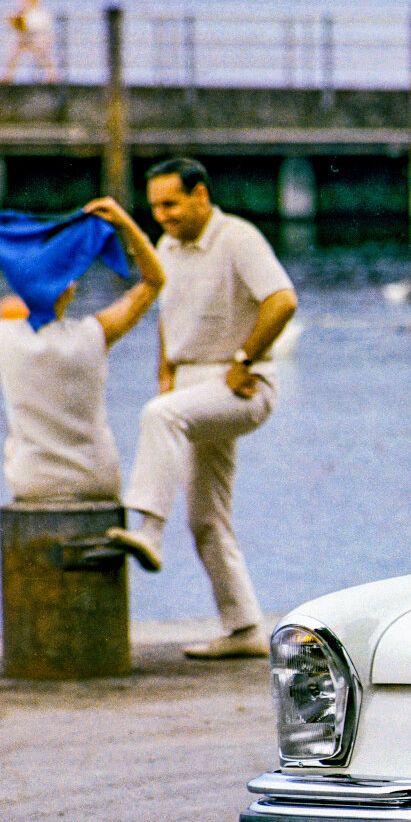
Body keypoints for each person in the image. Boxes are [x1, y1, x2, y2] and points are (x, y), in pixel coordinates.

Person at [106, 158, 298, 660]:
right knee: (207, 518)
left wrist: (244, 358)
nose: (162, 215)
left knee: (158, 415)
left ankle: (148, 530)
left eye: (171, 204)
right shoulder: (166, 247)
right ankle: (244, 628)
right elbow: (168, 315)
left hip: (242, 385)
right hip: (191, 385)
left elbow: (282, 300)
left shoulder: (238, 237)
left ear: (201, 196)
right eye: (155, 207)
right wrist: (164, 371)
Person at [0, 199, 163, 502]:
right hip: (95, 480)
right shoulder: (94, 334)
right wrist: (125, 223)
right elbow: (154, 282)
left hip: (33, 483)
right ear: (70, 289)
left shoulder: (3, 339)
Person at [0, 0, 56, 84]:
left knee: (20, 48)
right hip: (29, 21)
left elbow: (32, 0)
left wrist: (19, 14)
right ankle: (50, 76)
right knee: (24, 48)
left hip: (29, 21)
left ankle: (8, 76)